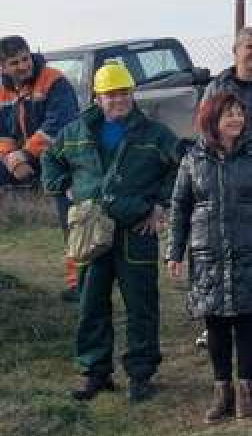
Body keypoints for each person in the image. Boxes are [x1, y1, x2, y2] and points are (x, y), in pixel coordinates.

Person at [41, 63, 179, 402]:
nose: (118, 99)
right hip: (91, 232)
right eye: (110, 94)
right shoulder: (76, 132)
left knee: (141, 306)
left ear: (132, 93)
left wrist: (160, 205)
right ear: (97, 97)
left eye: (124, 92)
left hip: (136, 230)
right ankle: (95, 372)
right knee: (91, 304)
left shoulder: (155, 134)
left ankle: (140, 375)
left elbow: (181, 170)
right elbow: (50, 159)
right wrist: (64, 186)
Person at [167, 94, 252, 421]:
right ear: (212, 119)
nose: (236, 120)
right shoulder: (193, 160)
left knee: (247, 320)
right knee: (216, 323)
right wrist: (174, 252)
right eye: (228, 115)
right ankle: (221, 390)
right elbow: (180, 207)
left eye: (239, 113)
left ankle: (246, 390)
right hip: (207, 253)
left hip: (250, 250)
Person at [0, 34, 81, 296]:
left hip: (62, 158)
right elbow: (2, 134)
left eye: (25, 59)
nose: (23, 66)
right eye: (15, 62)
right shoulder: (2, 91)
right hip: (20, 159)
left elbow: (60, 125)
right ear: (2, 67)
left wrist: (24, 154)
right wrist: (10, 157)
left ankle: (77, 282)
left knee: (73, 217)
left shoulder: (54, 80)